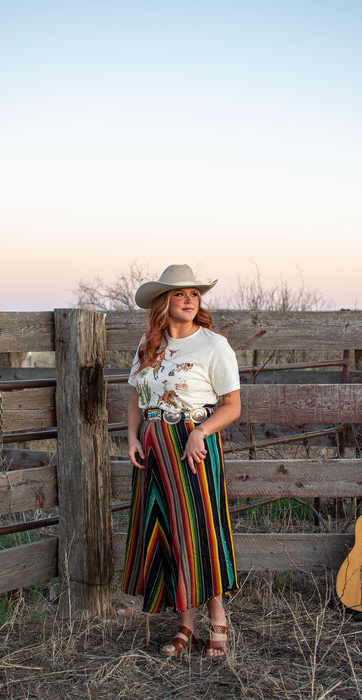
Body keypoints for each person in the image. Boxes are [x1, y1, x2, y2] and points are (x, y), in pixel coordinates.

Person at [122, 264, 241, 658]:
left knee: (201, 529)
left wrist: (199, 432)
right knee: (170, 530)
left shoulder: (213, 345)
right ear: (163, 302)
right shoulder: (148, 345)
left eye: (194, 294)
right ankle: (185, 626)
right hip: (155, 446)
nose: (189, 300)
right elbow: (137, 399)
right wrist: (131, 436)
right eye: (179, 294)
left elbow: (233, 406)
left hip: (194, 445)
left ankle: (219, 619)